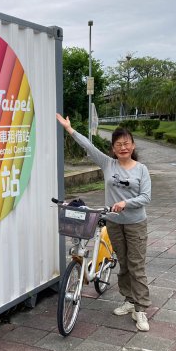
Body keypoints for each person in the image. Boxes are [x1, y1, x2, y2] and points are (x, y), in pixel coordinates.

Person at [56, 114, 152, 331]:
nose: (123, 147)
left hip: (136, 223)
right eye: (118, 144)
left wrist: (125, 203)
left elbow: (146, 197)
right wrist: (70, 129)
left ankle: (141, 309)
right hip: (114, 223)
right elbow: (89, 147)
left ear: (133, 145)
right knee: (124, 264)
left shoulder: (141, 169)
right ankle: (128, 300)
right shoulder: (108, 164)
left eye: (126, 143)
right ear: (113, 148)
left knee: (137, 266)